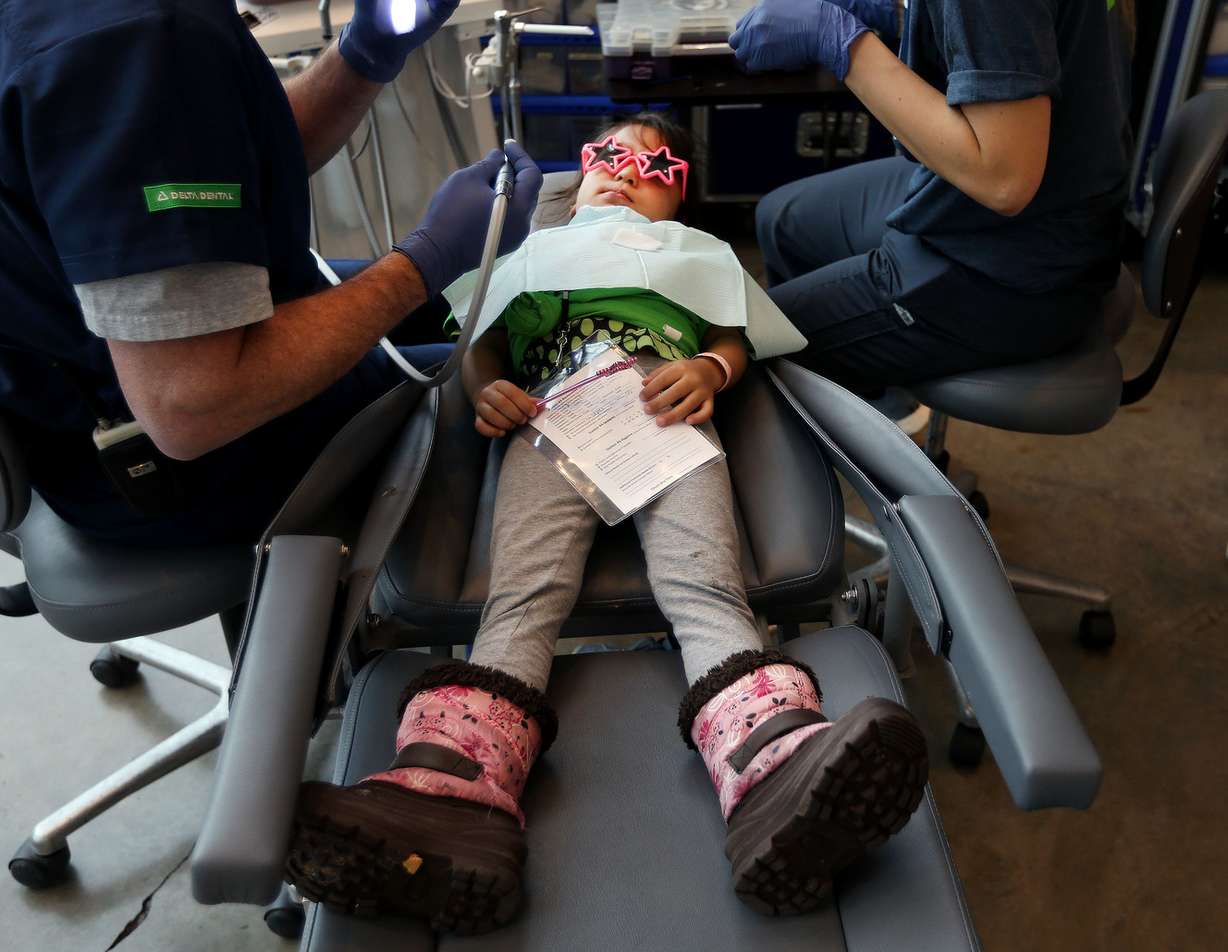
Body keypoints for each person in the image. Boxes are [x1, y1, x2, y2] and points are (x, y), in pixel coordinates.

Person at [284, 115, 930, 934]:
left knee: (706, 589)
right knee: (521, 600)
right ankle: (447, 791)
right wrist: (486, 388)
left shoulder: (696, 257)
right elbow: (482, 342)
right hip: (553, 415)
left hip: (665, 408)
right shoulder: (532, 255)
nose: (626, 171)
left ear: (679, 196)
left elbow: (732, 337)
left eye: (654, 166)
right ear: (581, 174)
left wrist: (709, 368)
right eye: (608, 156)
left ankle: (774, 762)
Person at [0, 0, 541, 546]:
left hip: (163, 358)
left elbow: (208, 159)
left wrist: (362, 56)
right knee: (534, 384)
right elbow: (190, 408)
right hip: (172, 464)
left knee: (486, 308)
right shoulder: (131, 44)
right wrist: (422, 263)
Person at [730, 0, 1133, 393]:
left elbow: (1004, 180)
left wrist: (838, 41)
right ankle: (862, 391)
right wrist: (895, 11)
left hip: (1014, 266)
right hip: (1038, 193)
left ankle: (856, 407)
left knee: (743, 354)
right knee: (782, 219)